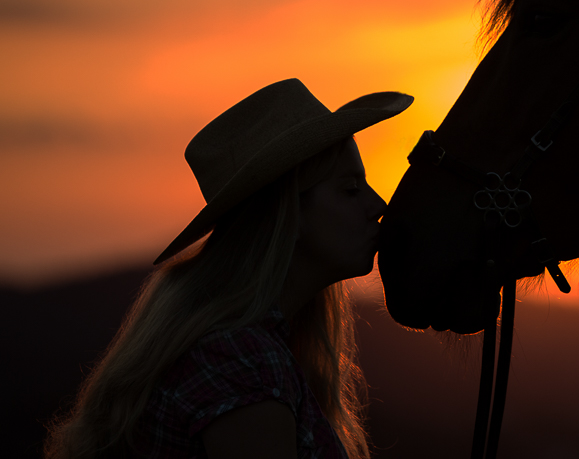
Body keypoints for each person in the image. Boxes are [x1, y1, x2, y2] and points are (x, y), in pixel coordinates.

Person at [45, 79, 413, 459]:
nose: (379, 205)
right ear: (287, 212)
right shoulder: (243, 361)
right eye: (351, 188)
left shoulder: (244, 347)